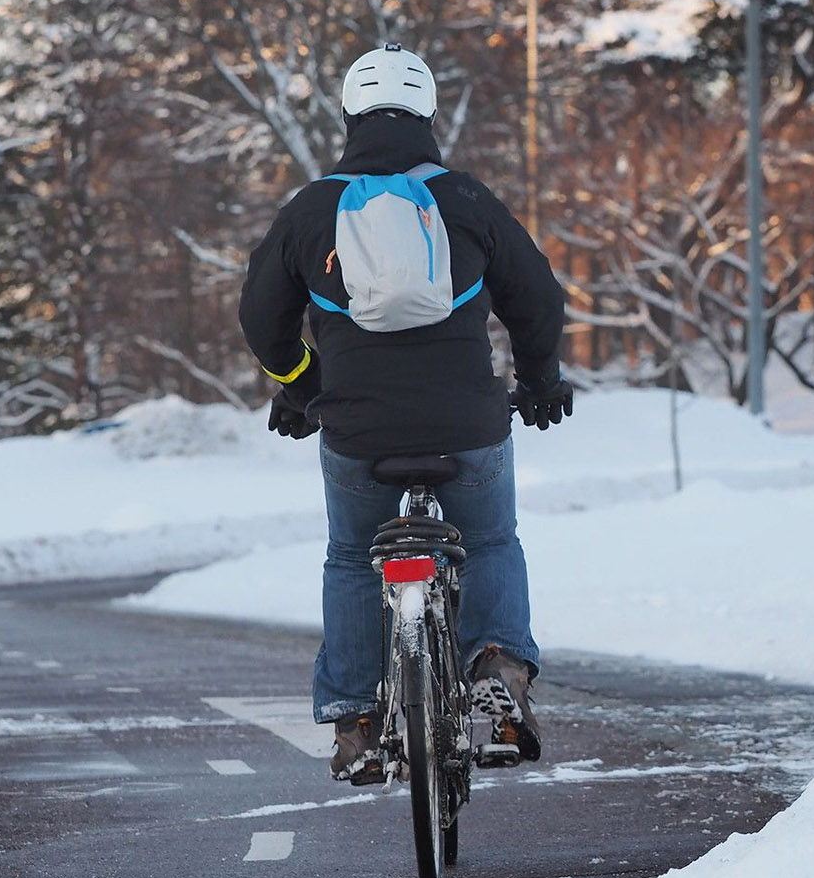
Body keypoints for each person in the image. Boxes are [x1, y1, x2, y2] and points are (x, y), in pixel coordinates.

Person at [238, 44, 572, 785]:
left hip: (357, 430)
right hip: (468, 424)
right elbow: (538, 299)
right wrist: (541, 381)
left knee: (351, 559)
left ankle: (357, 719)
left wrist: (301, 384)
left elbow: (261, 320)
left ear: (348, 116)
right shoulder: (467, 200)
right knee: (489, 539)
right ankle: (499, 669)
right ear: (428, 115)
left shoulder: (311, 210)